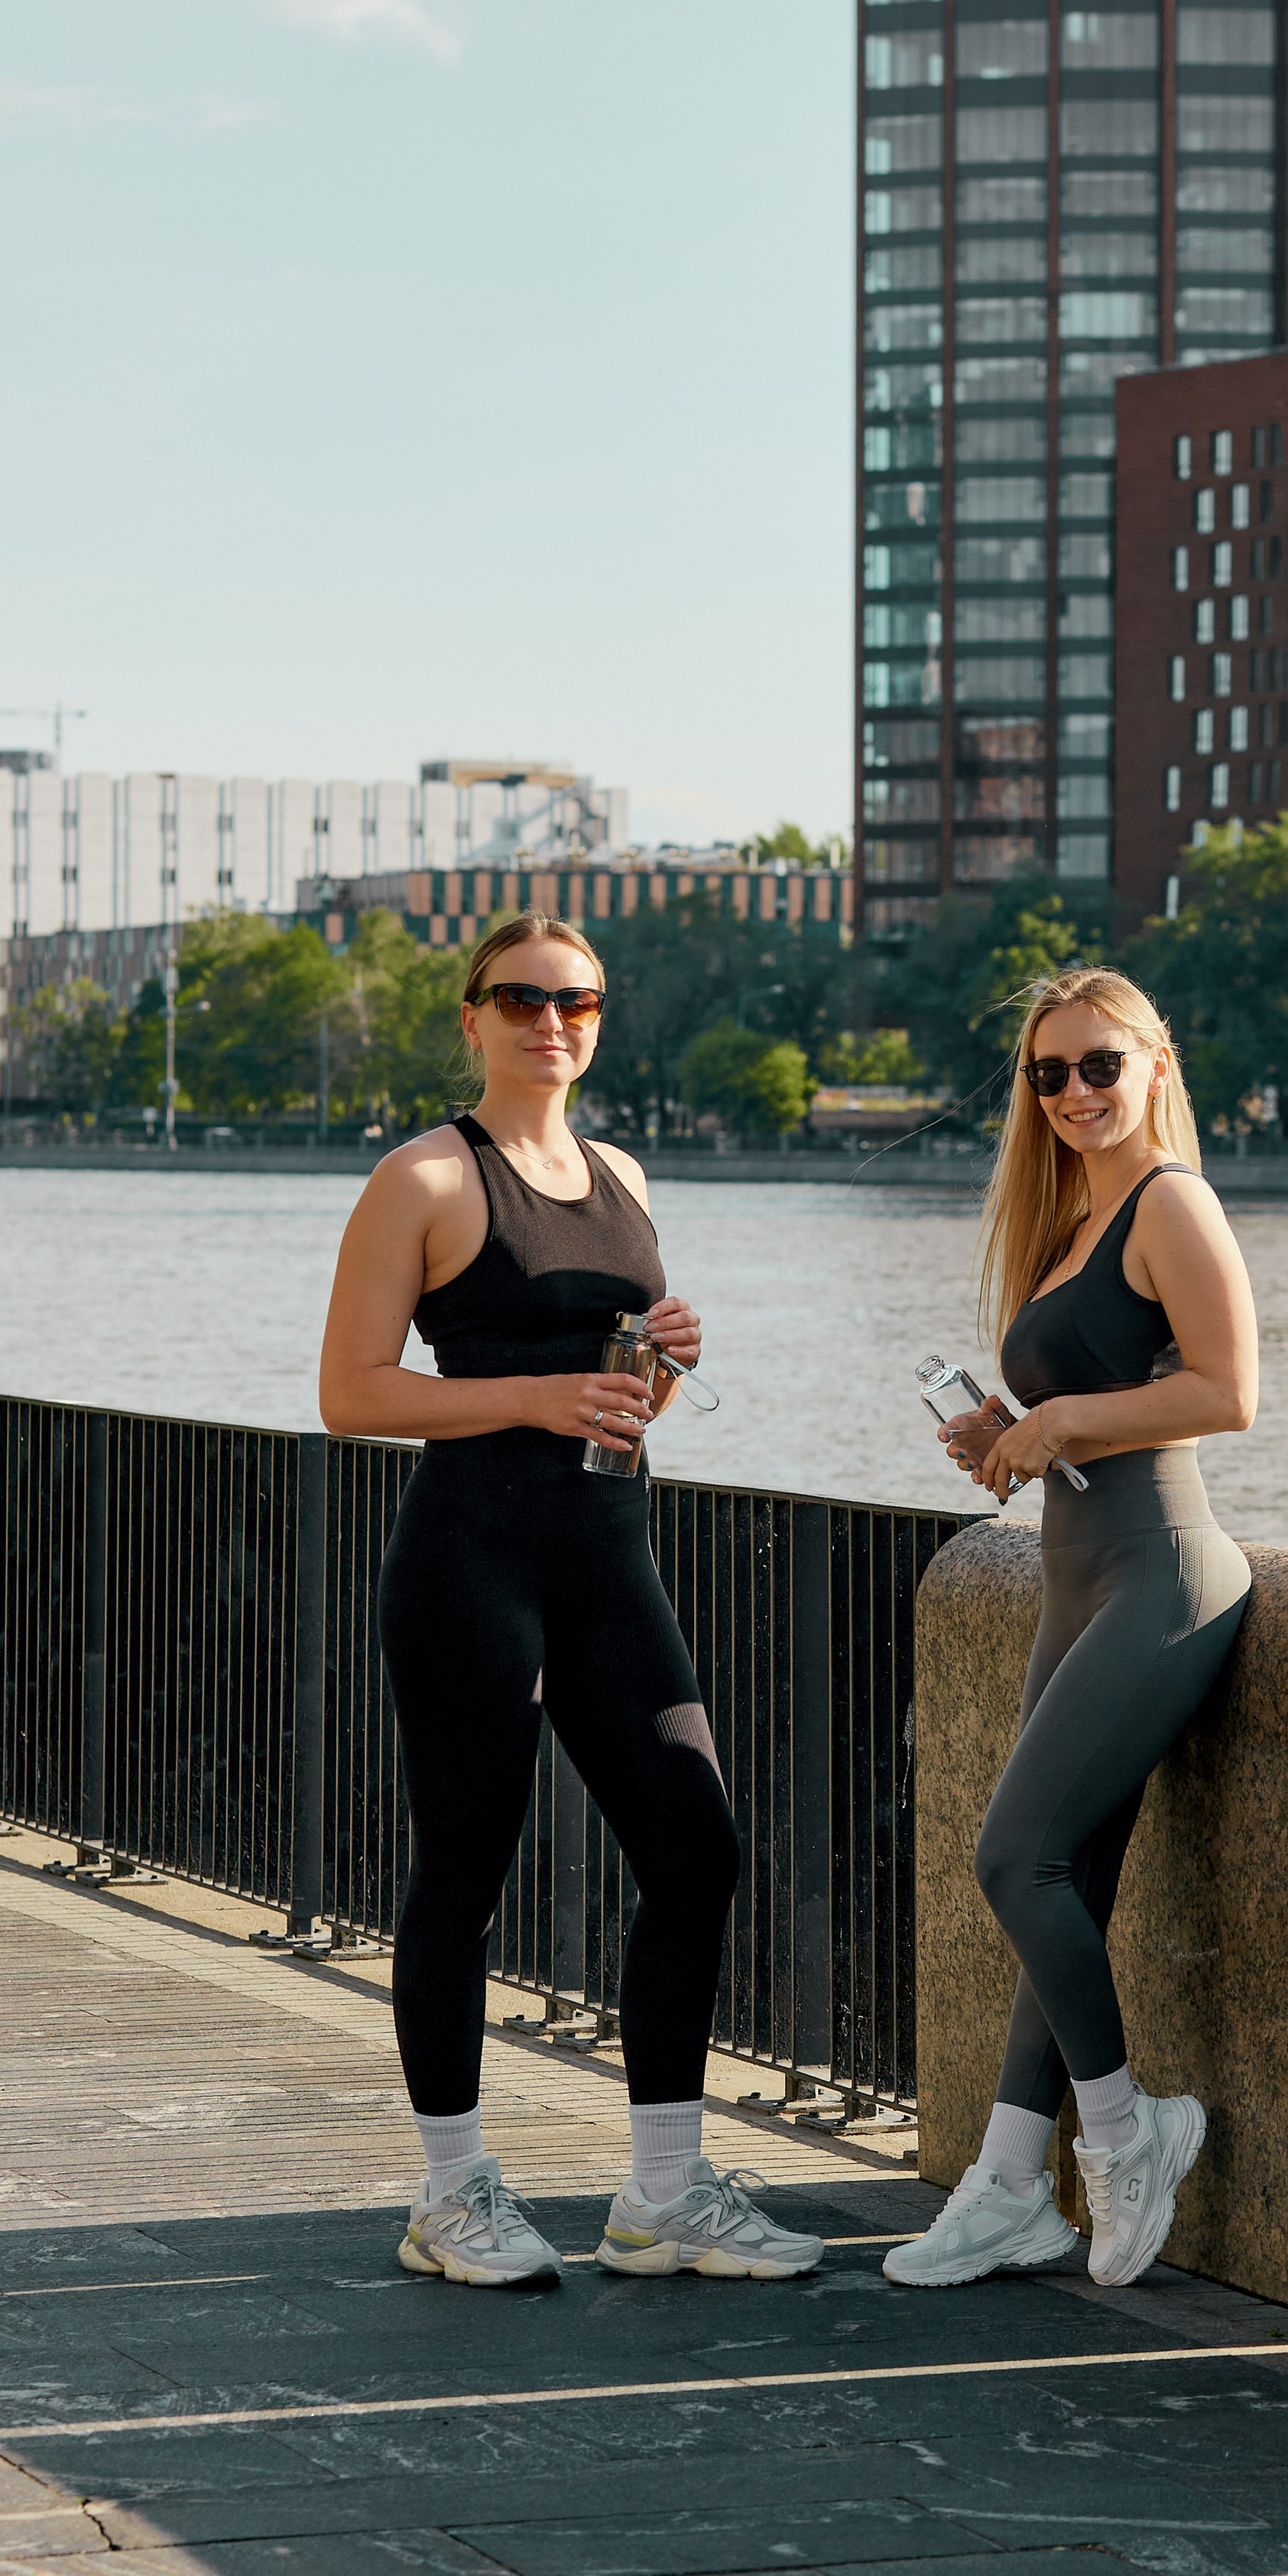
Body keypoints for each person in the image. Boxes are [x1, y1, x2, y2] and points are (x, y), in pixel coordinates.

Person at [319, 909, 822, 2290]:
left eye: (581, 1001)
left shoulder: (624, 1173)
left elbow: (628, 1403)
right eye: (524, 998)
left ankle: (662, 2194)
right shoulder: (422, 1179)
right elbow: (351, 1392)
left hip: (609, 1563)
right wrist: (538, 1395)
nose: (554, 1022)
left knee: (695, 1845)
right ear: (472, 1016)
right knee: (464, 1874)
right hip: (470, 1565)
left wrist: (665, 1359)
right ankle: (452, 2193)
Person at [884, 966, 1257, 2295]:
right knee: (1068, 1881)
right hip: (1076, 1573)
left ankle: (1125, 2132)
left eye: (1102, 1065)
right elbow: (1094, 1407)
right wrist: (1010, 1436)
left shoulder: (1172, 1204)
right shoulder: (1069, 1221)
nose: (1076, 1094)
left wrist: (1063, 1426)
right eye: (1049, 1075)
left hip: (1164, 1579)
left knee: (1015, 1859)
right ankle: (1006, 2191)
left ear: (1157, 1063)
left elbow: (1230, 1392)